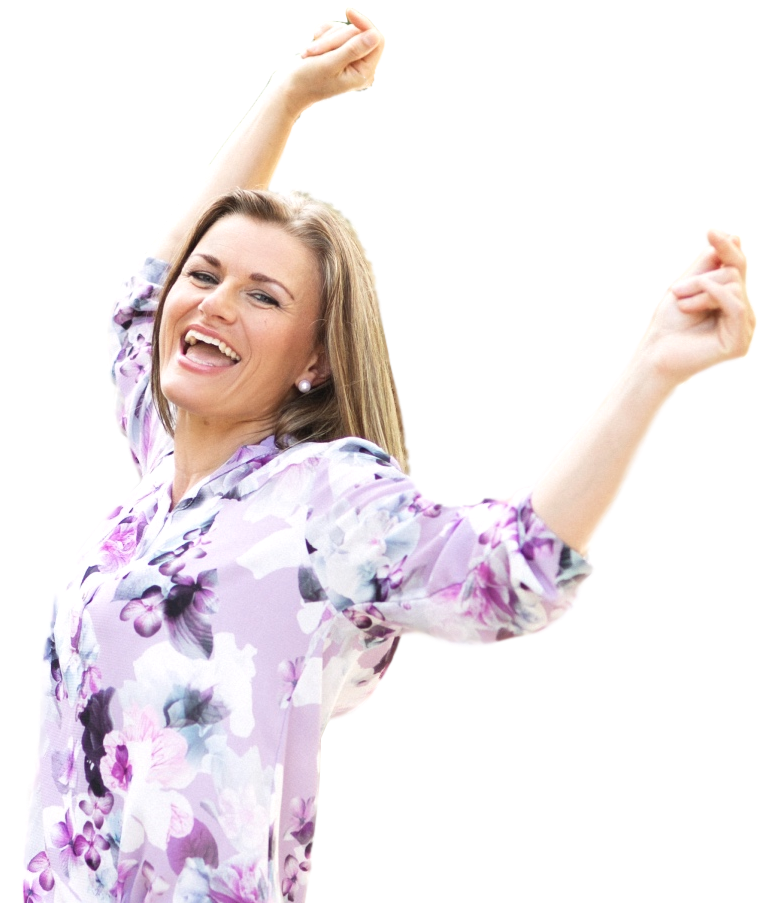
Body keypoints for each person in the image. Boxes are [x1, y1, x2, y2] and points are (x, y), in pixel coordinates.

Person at [16, 8, 756, 902]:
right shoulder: (157, 480)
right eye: (205, 277)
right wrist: (285, 97)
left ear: (314, 359)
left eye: (262, 296)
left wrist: (654, 368)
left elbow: (509, 567)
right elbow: (142, 302)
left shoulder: (324, 498)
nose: (211, 303)